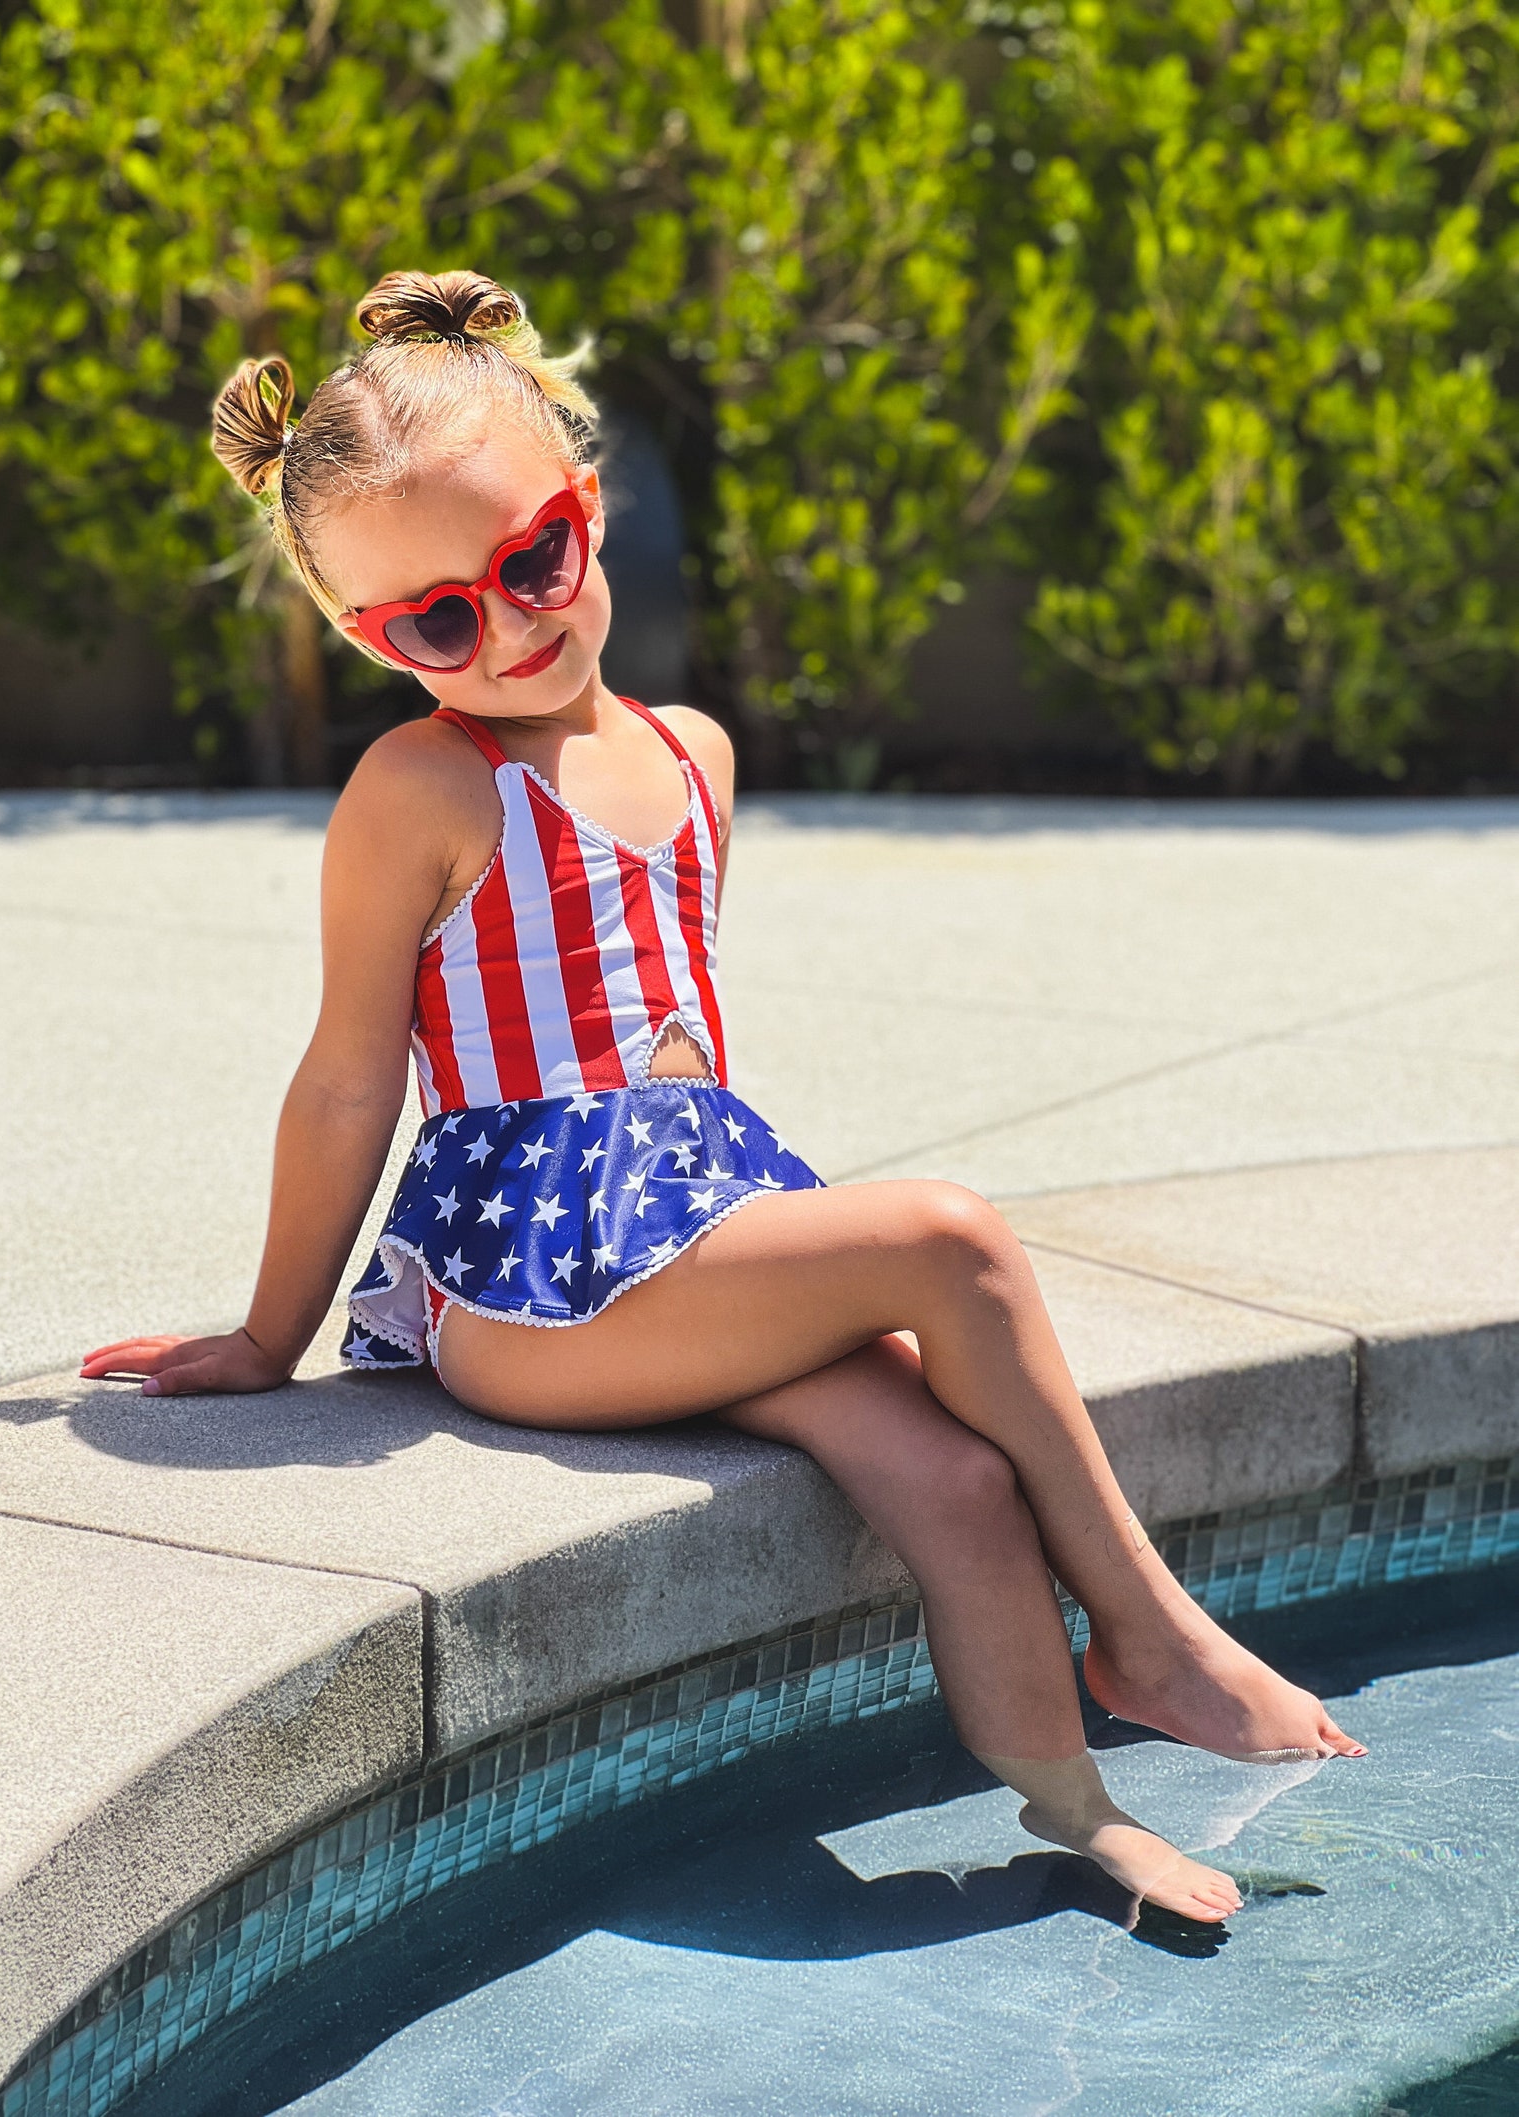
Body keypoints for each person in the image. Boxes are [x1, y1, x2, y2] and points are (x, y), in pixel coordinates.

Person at [82, 269, 1364, 1927]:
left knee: (958, 1482)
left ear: (590, 506)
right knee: (952, 1240)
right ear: (365, 644)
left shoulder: (694, 754)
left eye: (531, 558)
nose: (509, 623)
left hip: (688, 1233)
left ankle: (1083, 1813)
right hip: (528, 1286)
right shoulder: (421, 785)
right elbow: (347, 1081)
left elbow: (669, 1061)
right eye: (437, 622)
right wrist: (270, 1337)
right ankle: (1156, 1628)